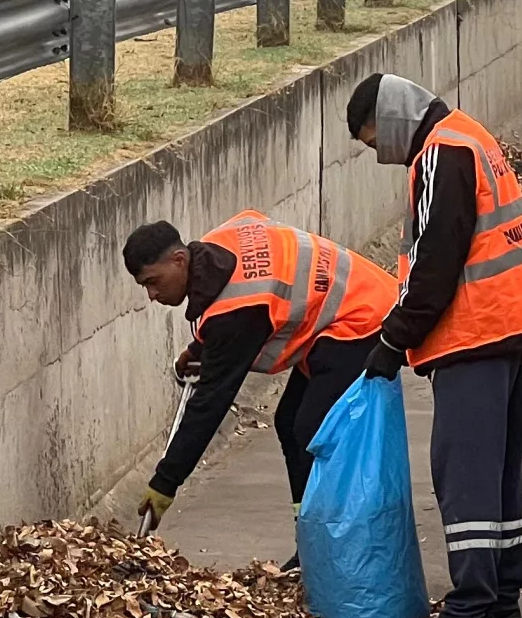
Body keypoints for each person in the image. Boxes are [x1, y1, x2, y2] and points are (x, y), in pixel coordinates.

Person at [345, 71, 522, 618]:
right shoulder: (467, 134)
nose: (377, 155)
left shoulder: (441, 152)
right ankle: (500, 597)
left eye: (372, 141)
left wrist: (393, 342)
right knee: (498, 471)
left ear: (390, 122)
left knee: (463, 474)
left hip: (476, 329)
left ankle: (471, 610)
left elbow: (436, 260)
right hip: (511, 322)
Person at [123, 210, 397, 536]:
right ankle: (309, 537)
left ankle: (330, 542)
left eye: (153, 282)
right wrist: (200, 350)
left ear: (180, 259)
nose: (151, 296)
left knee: (311, 429)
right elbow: (233, 292)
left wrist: (165, 483)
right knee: (290, 420)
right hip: (346, 306)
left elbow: (210, 404)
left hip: (364, 318)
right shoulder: (214, 247)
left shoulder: (237, 311)